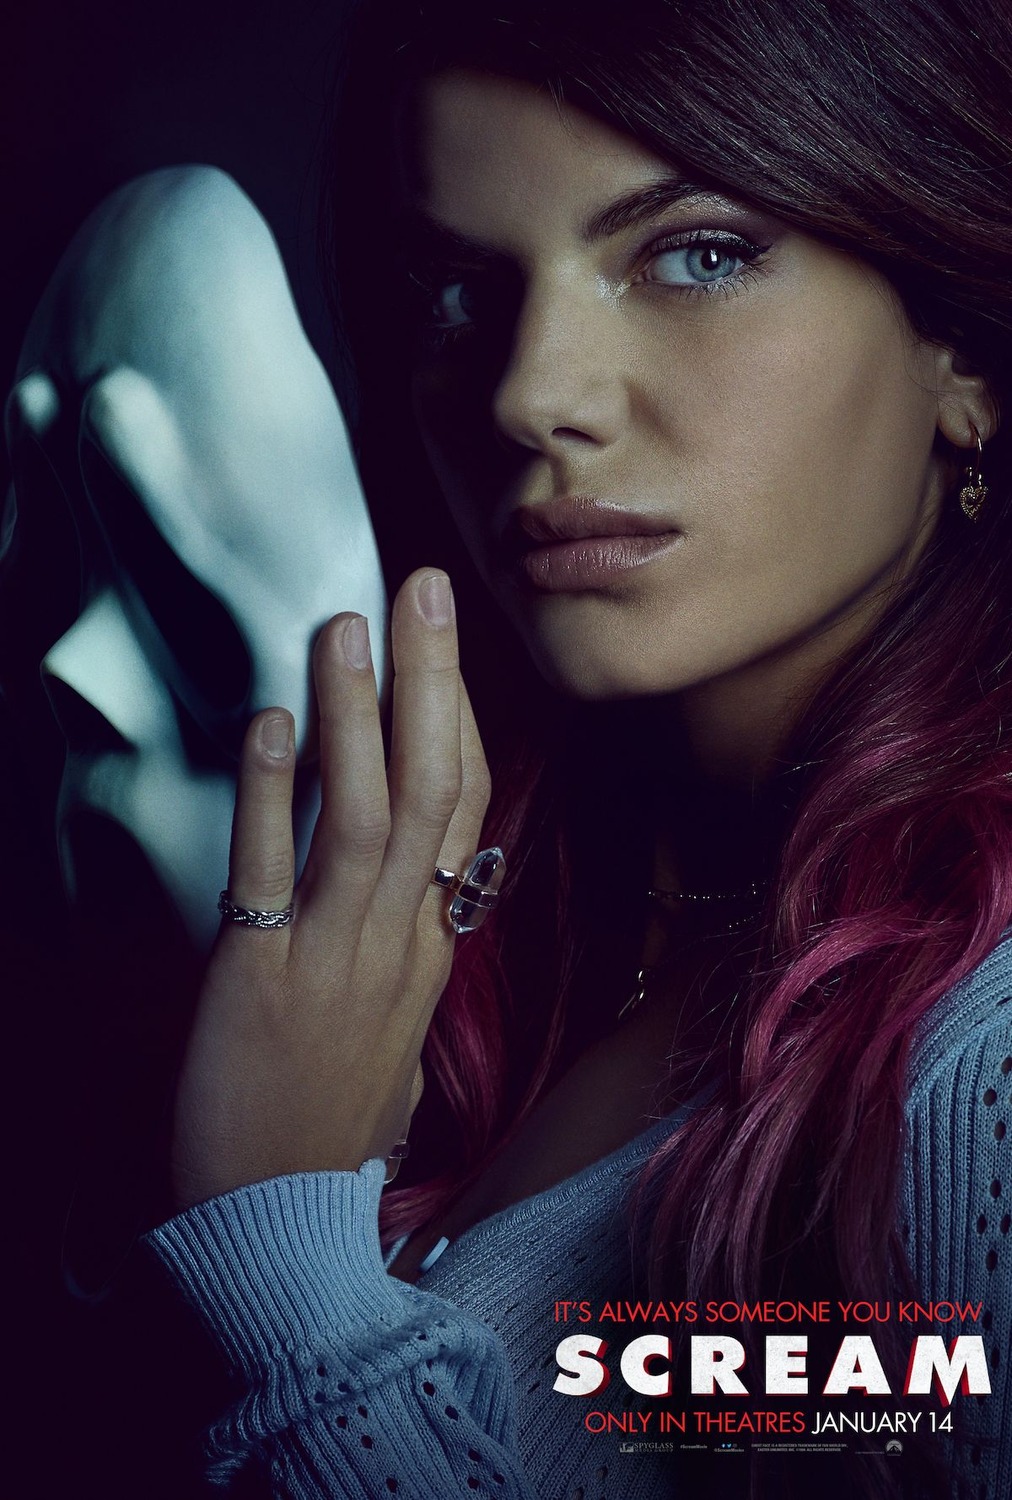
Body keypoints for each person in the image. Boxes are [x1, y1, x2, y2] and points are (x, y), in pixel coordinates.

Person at [141, 1, 1011, 1496]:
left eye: (697, 256)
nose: (529, 394)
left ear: (966, 354)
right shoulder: (503, 919)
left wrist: (282, 1247)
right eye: (455, 290)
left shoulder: (980, 1064)